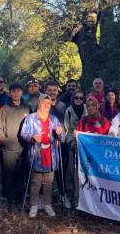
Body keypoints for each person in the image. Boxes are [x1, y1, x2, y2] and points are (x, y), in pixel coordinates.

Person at [20, 94, 66, 217]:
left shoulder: (54, 119)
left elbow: (63, 137)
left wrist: (60, 133)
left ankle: (47, 205)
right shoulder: (30, 118)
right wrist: (32, 137)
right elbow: (23, 134)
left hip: (51, 156)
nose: (46, 105)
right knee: (35, 182)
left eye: (48, 103)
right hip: (36, 156)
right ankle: (34, 205)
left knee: (49, 182)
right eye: (43, 103)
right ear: (39, 104)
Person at [0, 82, 30, 209]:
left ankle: (19, 198)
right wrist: (3, 142)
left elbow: (32, 125)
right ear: (10, 93)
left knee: (20, 174)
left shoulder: (27, 108)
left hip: (23, 148)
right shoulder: (4, 109)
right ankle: (10, 200)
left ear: (22, 92)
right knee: (8, 174)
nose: (16, 93)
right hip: (8, 148)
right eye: (13, 91)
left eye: (18, 90)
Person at [45, 80, 70, 208]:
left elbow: (66, 124)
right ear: (46, 91)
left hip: (60, 142)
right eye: (50, 90)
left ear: (57, 92)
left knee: (61, 169)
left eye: (54, 90)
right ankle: (44, 197)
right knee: (46, 171)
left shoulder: (63, 105)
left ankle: (62, 193)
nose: (52, 93)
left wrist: (64, 137)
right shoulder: (43, 105)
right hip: (46, 143)